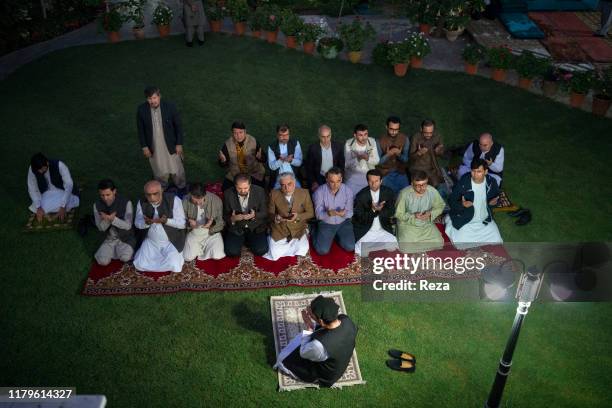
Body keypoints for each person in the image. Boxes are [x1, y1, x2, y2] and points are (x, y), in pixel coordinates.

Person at [274, 295, 358, 388]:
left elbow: (303, 352)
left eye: (311, 313)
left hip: (326, 376)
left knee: (283, 358)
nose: (309, 311)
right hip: (338, 360)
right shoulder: (346, 319)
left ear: (321, 321)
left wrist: (309, 327)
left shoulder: (318, 346)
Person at [136, 86, 186, 192]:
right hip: (154, 145)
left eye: (154, 98)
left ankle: (181, 186)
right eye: (149, 99)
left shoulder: (170, 107)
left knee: (176, 167)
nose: (152, 101)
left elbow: (178, 126)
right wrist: (144, 147)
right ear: (146, 99)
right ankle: (162, 187)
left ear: (159, 96)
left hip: (170, 143)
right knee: (158, 167)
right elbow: (141, 130)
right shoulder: (141, 110)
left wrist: (179, 143)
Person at [445, 158, 503, 246]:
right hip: (466, 219)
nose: (475, 175)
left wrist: (493, 203)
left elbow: (497, 198)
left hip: (484, 220)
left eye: (479, 171)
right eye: (473, 171)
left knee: (497, 241)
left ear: (486, 172)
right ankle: (448, 219)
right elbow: (451, 200)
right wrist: (462, 204)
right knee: (460, 244)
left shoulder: (491, 182)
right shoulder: (464, 181)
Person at [134, 180, 186, 272]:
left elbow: (182, 224)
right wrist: (146, 223)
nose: (152, 197)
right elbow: (137, 223)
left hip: (171, 241)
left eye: (155, 193)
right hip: (151, 242)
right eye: (148, 194)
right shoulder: (141, 202)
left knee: (173, 264)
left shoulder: (174, 200)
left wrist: (166, 221)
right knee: (139, 263)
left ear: (161, 190)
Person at [264, 173, 314, 261]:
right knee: (275, 252)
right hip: (280, 228)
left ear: (294, 183)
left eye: (289, 184)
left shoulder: (304, 193)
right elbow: (269, 213)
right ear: (280, 185)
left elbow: (311, 213)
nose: (286, 188)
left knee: (302, 250)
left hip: (298, 228)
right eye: (283, 185)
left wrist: (298, 216)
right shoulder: (274, 193)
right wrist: (276, 217)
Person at [395, 170, 446, 251]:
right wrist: (414, 216)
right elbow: (398, 214)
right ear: (412, 184)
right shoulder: (404, 194)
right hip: (408, 225)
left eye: (424, 184)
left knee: (439, 243)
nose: (422, 188)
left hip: (425, 224)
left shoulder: (432, 191)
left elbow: (440, 205)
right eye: (418, 185)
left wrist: (430, 213)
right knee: (406, 247)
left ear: (427, 182)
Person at [352, 169, 398, 257]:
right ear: (367, 181)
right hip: (366, 230)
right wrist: (373, 210)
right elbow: (360, 218)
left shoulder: (388, 192)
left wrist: (380, 210)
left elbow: (391, 211)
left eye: (376, 181)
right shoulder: (361, 196)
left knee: (394, 245)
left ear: (381, 181)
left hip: (382, 228)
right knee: (359, 252)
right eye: (371, 181)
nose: (373, 184)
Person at [223, 174, 269, 257]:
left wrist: (255, 215)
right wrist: (233, 219)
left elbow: (265, 212)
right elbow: (224, 215)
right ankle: (242, 241)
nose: (243, 191)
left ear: (250, 185)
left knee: (261, 250)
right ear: (235, 186)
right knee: (231, 252)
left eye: (245, 188)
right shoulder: (228, 194)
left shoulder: (260, 191)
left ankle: (248, 241)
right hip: (237, 227)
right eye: (239, 188)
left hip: (255, 226)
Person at [312, 167, 355, 255]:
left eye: (338, 181)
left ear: (341, 179)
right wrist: (327, 213)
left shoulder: (348, 191)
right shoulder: (319, 192)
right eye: (332, 182)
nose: (335, 185)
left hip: (343, 222)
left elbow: (350, 212)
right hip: (326, 223)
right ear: (327, 180)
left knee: (350, 247)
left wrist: (344, 214)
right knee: (322, 251)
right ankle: (314, 230)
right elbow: (318, 215)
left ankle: (335, 235)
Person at [93, 179, 136, 265]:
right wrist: (107, 220)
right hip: (108, 239)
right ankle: (109, 250)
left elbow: (128, 225)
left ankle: (122, 250)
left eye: (108, 195)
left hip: (125, 237)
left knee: (125, 257)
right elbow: (100, 228)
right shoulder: (96, 205)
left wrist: (113, 219)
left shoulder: (126, 203)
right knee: (102, 261)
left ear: (114, 191)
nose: (105, 198)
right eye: (102, 195)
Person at [27, 153, 79, 222]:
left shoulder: (59, 165)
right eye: (39, 170)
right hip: (46, 193)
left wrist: (63, 206)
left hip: (62, 191)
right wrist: (38, 207)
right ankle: (55, 209)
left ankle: (62, 207)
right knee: (38, 205)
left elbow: (69, 185)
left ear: (47, 163)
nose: (40, 172)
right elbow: (32, 188)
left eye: (42, 169)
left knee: (67, 200)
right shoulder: (33, 169)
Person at [182, 182, 225, 261]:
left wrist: (211, 225)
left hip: (211, 233)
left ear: (205, 195)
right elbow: (180, 220)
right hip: (194, 233)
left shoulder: (216, 200)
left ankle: (206, 248)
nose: (198, 203)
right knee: (187, 257)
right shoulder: (185, 200)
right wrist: (189, 223)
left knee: (218, 255)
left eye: (200, 200)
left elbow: (221, 222)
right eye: (195, 200)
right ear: (190, 194)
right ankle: (197, 249)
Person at [218, 121, 266, 191]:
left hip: (254, 173)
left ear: (245, 132)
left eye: (241, 132)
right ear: (232, 133)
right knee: (226, 189)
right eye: (235, 133)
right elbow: (223, 165)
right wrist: (223, 161)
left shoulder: (253, 141)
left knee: (258, 190)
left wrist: (260, 157)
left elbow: (264, 159)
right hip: (236, 174)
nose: (238, 136)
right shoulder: (227, 144)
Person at [409, 119, 449, 196]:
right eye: (426, 133)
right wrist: (419, 153)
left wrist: (439, 152)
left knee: (440, 187)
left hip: (432, 167)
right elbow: (410, 159)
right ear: (421, 129)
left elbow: (445, 156)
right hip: (418, 168)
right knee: (422, 188)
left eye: (431, 132)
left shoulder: (437, 136)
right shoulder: (415, 138)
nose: (429, 135)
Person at [304, 125, 345, 192]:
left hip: (334, 176)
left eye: (328, 136)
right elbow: (309, 168)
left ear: (331, 135)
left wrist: (339, 179)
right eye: (323, 137)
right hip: (319, 176)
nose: (326, 139)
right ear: (319, 136)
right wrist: (313, 182)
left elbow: (341, 165)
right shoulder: (313, 148)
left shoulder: (338, 147)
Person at [344, 124, 380, 199]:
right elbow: (346, 164)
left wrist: (367, 158)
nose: (364, 138)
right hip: (353, 176)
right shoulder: (349, 143)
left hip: (368, 175)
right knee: (348, 197)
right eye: (360, 135)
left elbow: (377, 161)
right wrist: (357, 158)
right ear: (355, 135)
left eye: (365, 134)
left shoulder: (372, 141)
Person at [376, 116, 410, 194]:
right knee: (388, 195)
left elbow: (406, 160)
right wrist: (388, 154)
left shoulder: (405, 139)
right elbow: (378, 162)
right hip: (385, 172)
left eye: (396, 130)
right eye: (391, 129)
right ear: (386, 127)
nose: (394, 132)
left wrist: (399, 154)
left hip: (400, 172)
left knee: (406, 193)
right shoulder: (379, 140)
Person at [267, 124, 303, 189]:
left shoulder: (295, 143)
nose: (285, 137)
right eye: (282, 135)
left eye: (287, 135)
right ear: (277, 135)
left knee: (299, 195)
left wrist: (291, 160)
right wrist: (281, 160)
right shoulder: (272, 147)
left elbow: (299, 162)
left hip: (293, 177)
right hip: (279, 178)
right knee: (276, 197)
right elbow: (272, 166)